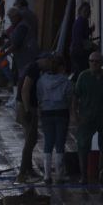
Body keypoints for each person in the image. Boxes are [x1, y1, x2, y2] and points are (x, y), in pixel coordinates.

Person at [73, 49, 103, 187]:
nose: (94, 64)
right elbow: (75, 96)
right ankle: (83, 175)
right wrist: (75, 115)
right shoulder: (83, 76)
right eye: (92, 61)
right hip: (87, 117)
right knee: (83, 145)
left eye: (97, 61)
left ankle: (102, 174)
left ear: (102, 63)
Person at [36, 55, 74, 183]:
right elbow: (69, 96)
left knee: (48, 142)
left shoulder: (41, 80)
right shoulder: (65, 81)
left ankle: (47, 176)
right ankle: (60, 175)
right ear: (61, 67)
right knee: (60, 143)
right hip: (62, 112)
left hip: (46, 113)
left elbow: (39, 95)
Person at [68, 1, 95, 73]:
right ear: (80, 11)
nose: (86, 13)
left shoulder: (83, 21)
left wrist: (91, 30)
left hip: (77, 51)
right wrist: (90, 45)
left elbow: (84, 33)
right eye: (85, 11)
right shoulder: (80, 21)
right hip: (78, 51)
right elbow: (79, 39)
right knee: (82, 71)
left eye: (88, 11)